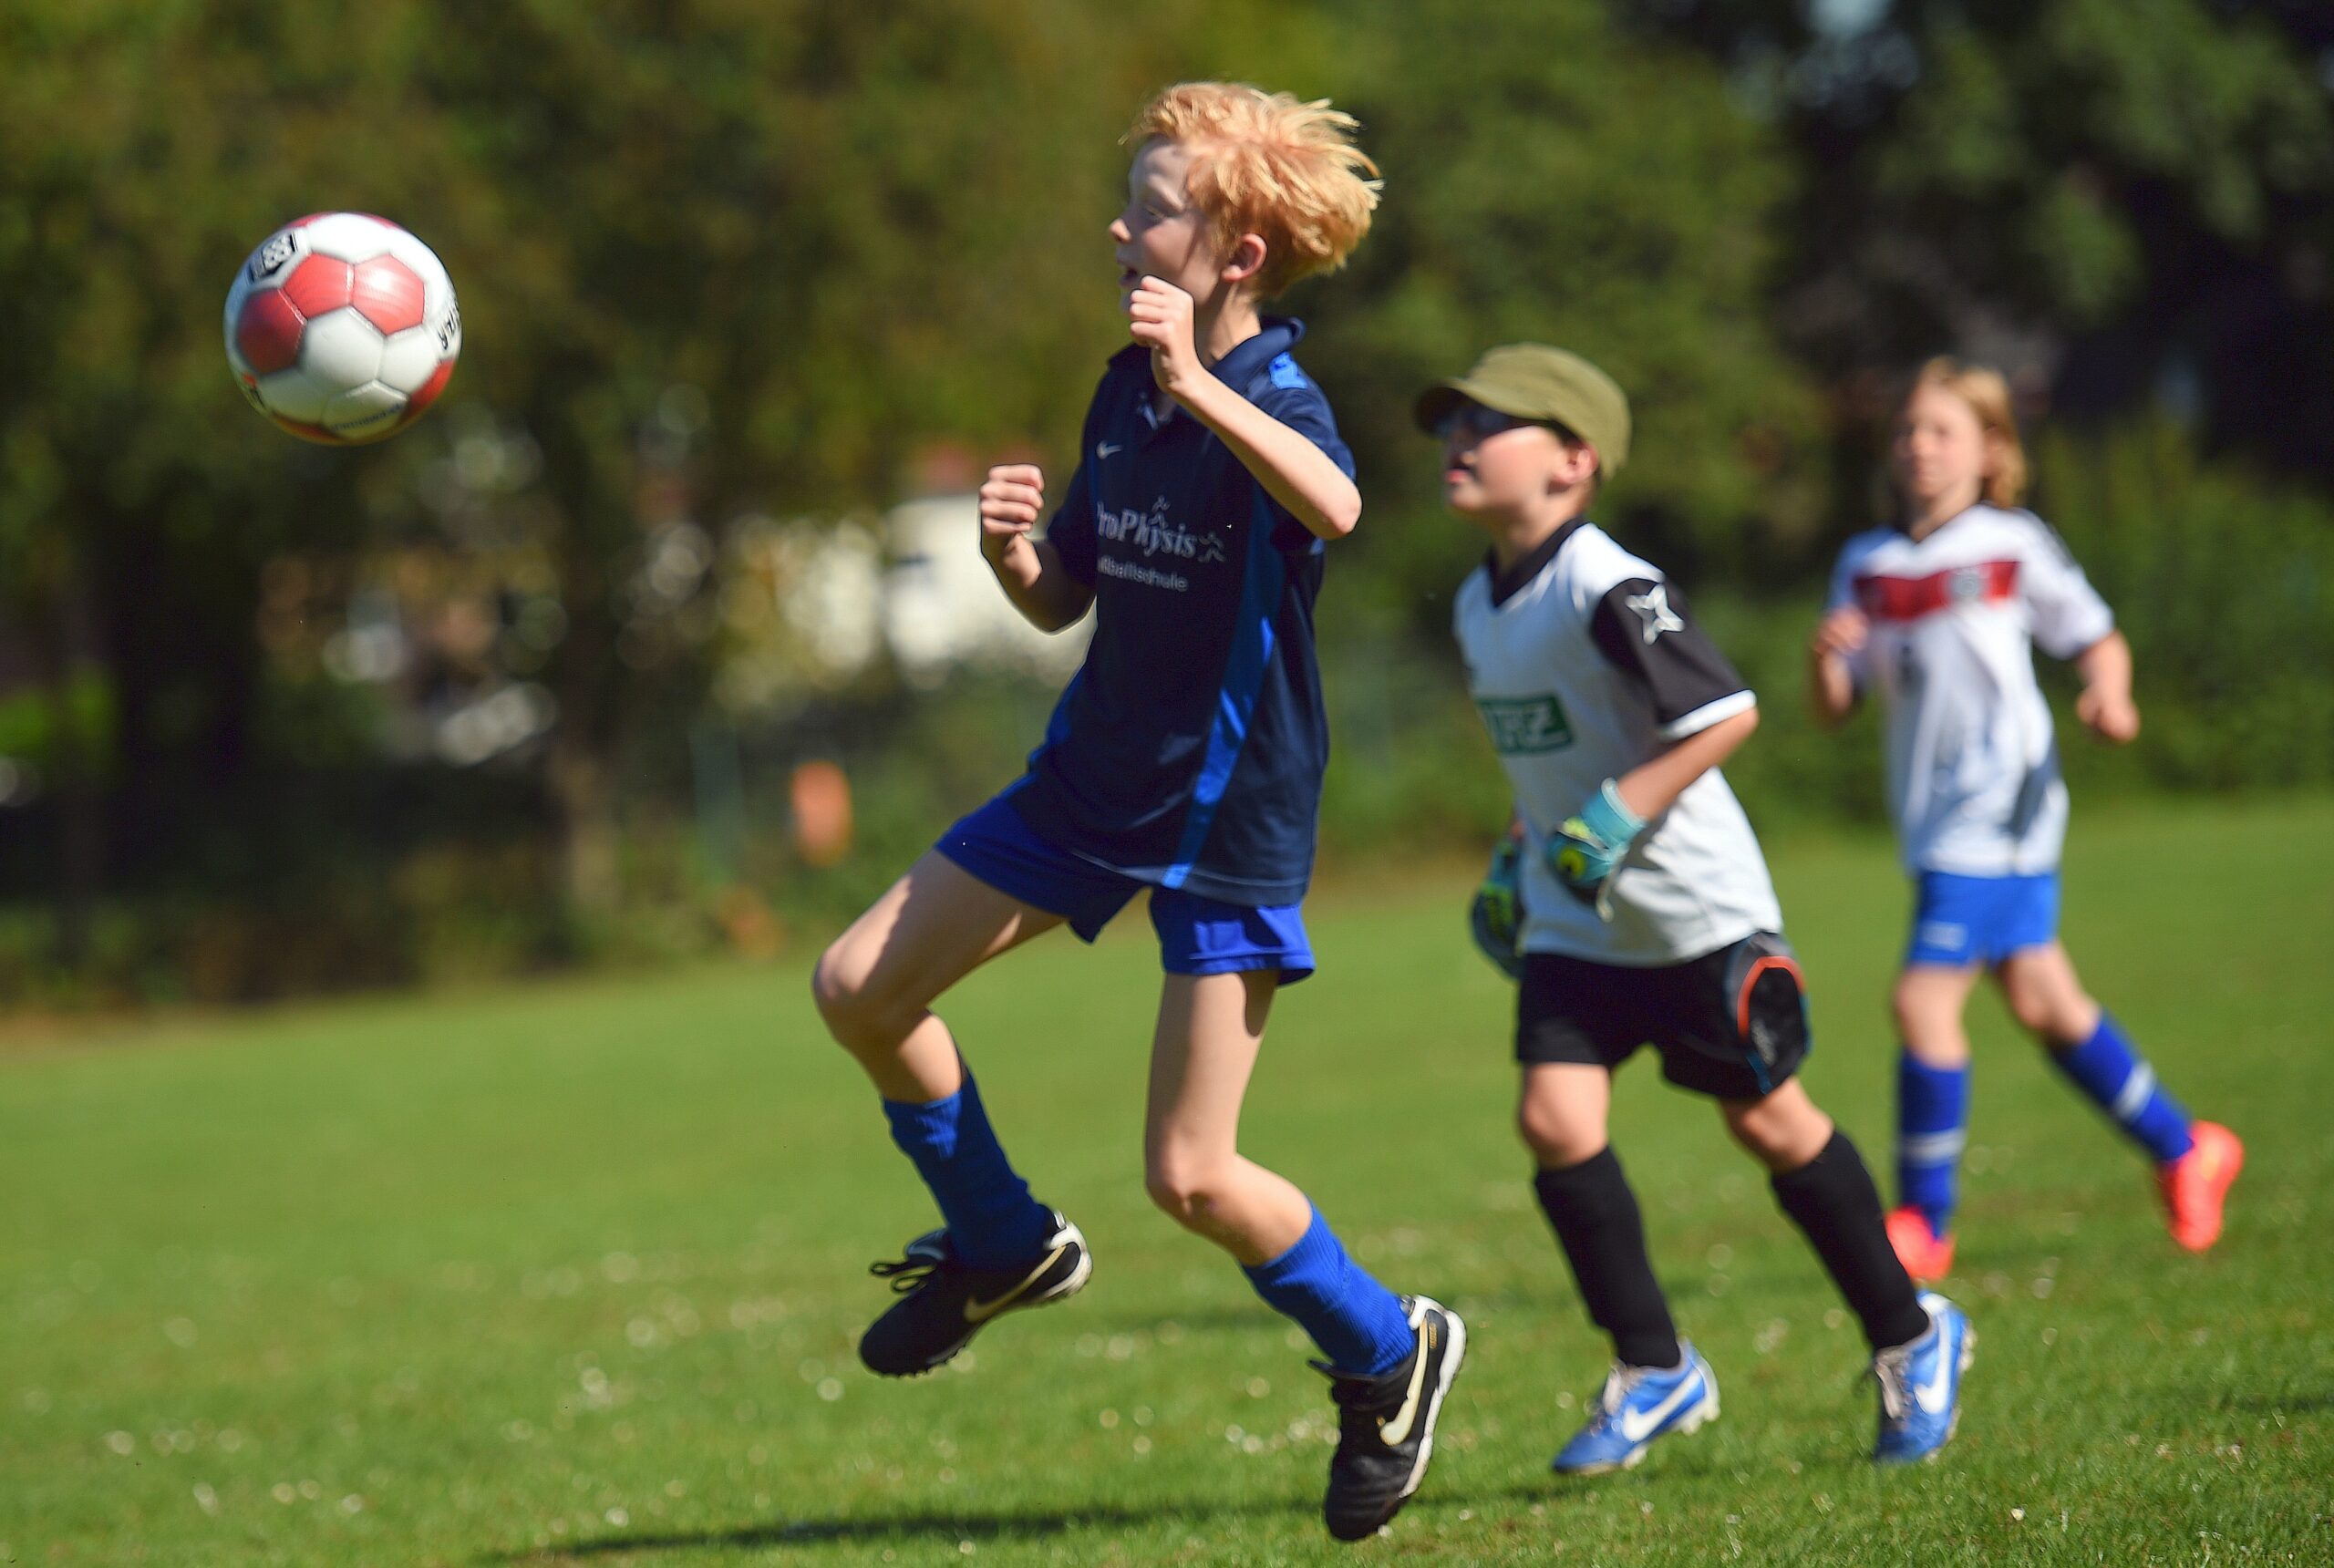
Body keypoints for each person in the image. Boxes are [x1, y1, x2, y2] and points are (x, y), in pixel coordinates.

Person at [811, 83, 1463, 1542]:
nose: (1123, 223)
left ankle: (1389, 1350)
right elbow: (1066, 603)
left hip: (1226, 821)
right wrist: (1007, 559)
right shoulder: (1124, 386)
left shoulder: (1276, 398)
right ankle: (999, 1243)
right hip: (1088, 785)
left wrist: (1204, 389)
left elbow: (1340, 509)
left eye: (1156, 206)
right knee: (858, 984)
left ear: (1235, 251)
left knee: (1191, 1175)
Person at [1430, 344, 1969, 1470]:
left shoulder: (1604, 580)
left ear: (1574, 460)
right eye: (1453, 423)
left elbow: (1724, 710)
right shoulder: (1479, 603)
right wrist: (1521, 846)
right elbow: (1556, 756)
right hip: (1578, 918)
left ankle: (1912, 1336)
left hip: (1692, 914)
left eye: (1492, 423)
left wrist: (1616, 816)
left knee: (1769, 1123)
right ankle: (1654, 1364)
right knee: (1554, 1121)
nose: (1459, 442)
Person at [1808, 358, 2242, 1282]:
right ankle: (2185, 1146)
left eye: (1942, 431)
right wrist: (1827, 658)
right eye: (1908, 431)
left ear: (1992, 449)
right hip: (1930, 820)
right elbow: (1835, 705)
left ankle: (1923, 1224)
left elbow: (2095, 635)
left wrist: (2109, 697)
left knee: (1921, 1000)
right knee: (2046, 1002)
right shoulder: (1867, 565)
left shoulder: (2010, 543)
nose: (1919, 447)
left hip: (2002, 802)